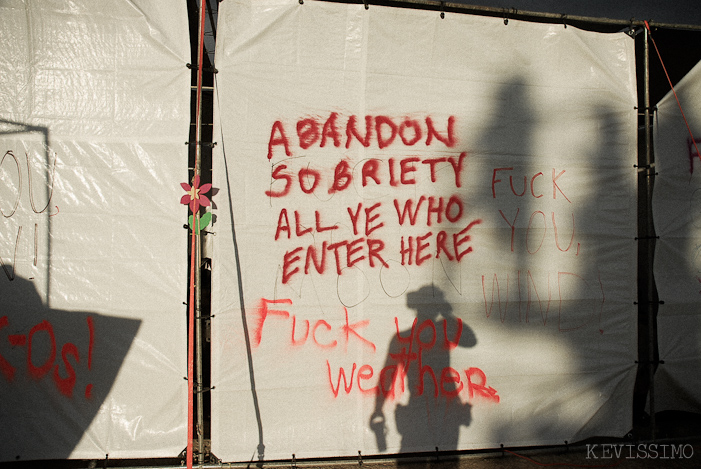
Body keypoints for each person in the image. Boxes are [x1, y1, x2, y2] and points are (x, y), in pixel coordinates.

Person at [370, 285, 476, 456]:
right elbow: (470, 340)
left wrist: (378, 409)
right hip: (443, 413)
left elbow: (387, 377)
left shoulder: (404, 339)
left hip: (422, 411)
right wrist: (448, 315)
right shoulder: (443, 332)